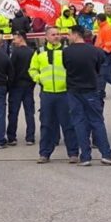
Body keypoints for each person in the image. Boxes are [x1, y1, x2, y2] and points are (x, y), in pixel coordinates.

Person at [63, 25, 111, 166]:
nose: (68, 37)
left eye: (70, 34)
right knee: (97, 121)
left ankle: (85, 156)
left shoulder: (66, 52)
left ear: (76, 35)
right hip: (90, 89)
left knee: (79, 122)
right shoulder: (96, 51)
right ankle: (106, 154)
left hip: (73, 90)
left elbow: (66, 67)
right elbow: (99, 67)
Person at [29, 26, 80, 163]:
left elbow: (74, 69)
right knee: (46, 124)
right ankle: (44, 154)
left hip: (64, 93)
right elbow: (32, 69)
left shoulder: (66, 51)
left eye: (58, 34)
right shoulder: (39, 52)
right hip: (47, 93)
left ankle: (73, 153)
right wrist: (38, 79)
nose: (56, 36)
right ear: (46, 37)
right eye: (53, 34)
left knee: (68, 124)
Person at [7, 31, 36, 146]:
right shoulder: (32, 52)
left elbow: (11, 70)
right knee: (29, 112)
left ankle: (11, 137)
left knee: (13, 112)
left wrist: (9, 85)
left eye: (15, 39)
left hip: (16, 86)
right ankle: (30, 137)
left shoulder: (15, 53)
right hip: (29, 85)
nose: (13, 41)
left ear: (21, 38)